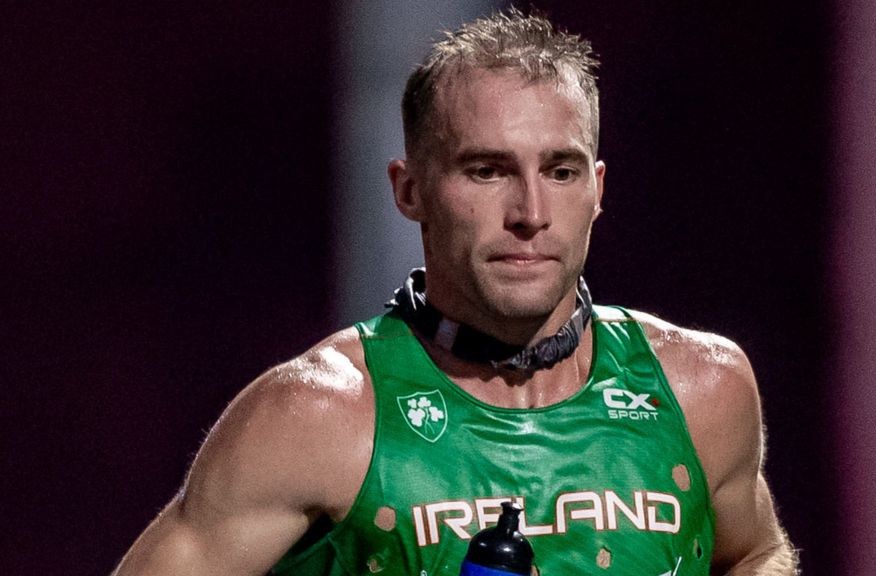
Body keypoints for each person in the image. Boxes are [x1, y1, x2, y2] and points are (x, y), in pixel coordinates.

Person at [113, 9, 798, 576]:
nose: (530, 212)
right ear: (410, 190)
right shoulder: (315, 417)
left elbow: (755, 553)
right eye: (487, 171)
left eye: (560, 171)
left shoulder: (702, 389)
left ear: (597, 190)